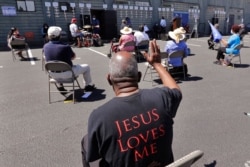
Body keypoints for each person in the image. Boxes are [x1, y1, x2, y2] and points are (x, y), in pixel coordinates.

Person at [83, 39, 182, 167]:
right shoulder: (161, 98)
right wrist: (157, 65)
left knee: (86, 142)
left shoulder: (99, 117)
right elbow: (176, 91)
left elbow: (93, 156)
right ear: (139, 77)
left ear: (109, 79)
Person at [43, 26, 96, 92]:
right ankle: (88, 85)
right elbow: (73, 57)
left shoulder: (45, 46)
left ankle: (60, 86)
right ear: (59, 35)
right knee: (86, 67)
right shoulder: (65, 46)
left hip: (52, 74)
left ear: (48, 35)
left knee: (56, 65)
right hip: (68, 73)